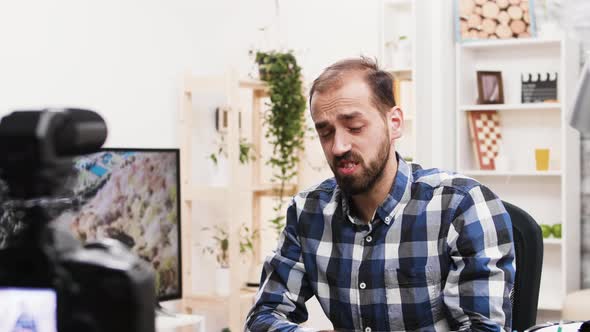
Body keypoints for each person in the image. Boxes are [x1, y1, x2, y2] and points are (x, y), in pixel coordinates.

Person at [245, 57, 515, 332]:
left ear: (394, 123)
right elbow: (263, 316)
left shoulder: (461, 205)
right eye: (325, 132)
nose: (338, 146)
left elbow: (484, 329)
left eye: (354, 127)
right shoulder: (308, 212)